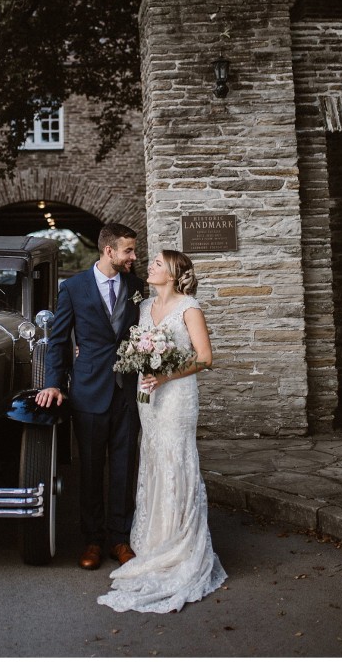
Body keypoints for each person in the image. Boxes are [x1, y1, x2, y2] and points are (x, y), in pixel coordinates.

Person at [97, 249, 227, 613]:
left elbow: (204, 357)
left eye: (156, 264)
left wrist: (166, 374)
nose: (149, 267)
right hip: (147, 397)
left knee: (175, 458)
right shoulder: (142, 308)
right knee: (152, 458)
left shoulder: (189, 308)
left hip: (176, 397)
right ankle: (153, 539)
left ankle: (179, 542)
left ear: (172, 273)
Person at [35, 223, 144, 570]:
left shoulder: (137, 285)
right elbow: (58, 340)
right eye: (128, 250)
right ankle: (92, 540)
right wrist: (53, 382)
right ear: (109, 250)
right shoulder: (74, 287)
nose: (134, 256)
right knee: (92, 469)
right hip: (88, 390)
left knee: (124, 467)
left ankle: (119, 538)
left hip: (127, 390)